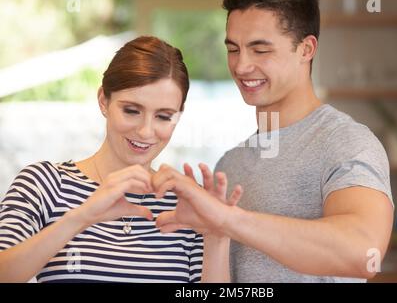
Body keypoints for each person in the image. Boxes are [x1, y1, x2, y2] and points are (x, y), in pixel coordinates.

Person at [153, 0, 394, 283]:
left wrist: (229, 220)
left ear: (306, 49)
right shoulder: (230, 164)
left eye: (260, 49)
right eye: (233, 49)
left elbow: (364, 253)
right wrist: (216, 233)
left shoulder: (346, 143)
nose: (241, 65)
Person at [0, 36, 240, 283]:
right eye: (131, 111)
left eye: (163, 116)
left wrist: (217, 237)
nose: (146, 131)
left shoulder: (187, 207)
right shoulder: (45, 184)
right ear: (104, 100)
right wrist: (82, 217)